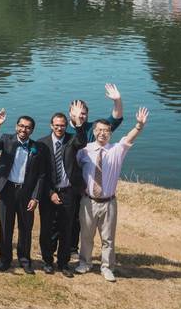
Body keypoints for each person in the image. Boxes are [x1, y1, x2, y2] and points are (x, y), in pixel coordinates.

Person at [75, 107, 150, 282]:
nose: (103, 133)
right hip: (88, 201)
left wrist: (139, 125)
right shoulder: (84, 150)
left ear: (110, 133)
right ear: (94, 132)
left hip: (108, 202)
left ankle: (107, 267)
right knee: (86, 235)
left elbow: (130, 137)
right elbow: (76, 169)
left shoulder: (117, 150)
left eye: (106, 131)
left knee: (108, 238)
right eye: (99, 130)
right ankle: (85, 263)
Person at [0, 110, 47, 274]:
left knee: (26, 228)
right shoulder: (7, 139)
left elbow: (41, 176)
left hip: (26, 194)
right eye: (21, 126)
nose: (23, 129)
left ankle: (24, 260)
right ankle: (5, 260)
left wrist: (35, 197)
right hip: (7, 190)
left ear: (32, 130)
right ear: (16, 126)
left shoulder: (37, 148)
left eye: (27, 127)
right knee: (5, 227)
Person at [68, 84, 124, 253]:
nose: (81, 116)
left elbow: (115, 118)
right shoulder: (62, 128)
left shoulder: (94, 129)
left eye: (84, 113)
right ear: (70, 112)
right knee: (64, 216)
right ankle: (55, 246)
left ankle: (73, 249)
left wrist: (117, 101)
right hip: (67, 181)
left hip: (87, 183)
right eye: (77, 112)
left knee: (82, 220)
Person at [37, 111, 87, 277]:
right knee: (48, 228)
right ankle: (47, 261)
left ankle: (64, 263)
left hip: (68, 192)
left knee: (67, 228)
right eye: (56, 125)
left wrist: (78, 123)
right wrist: (50, 192)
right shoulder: (42, 143)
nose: (59, 128)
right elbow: (41, 173)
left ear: (66, 126)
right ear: (51, 125)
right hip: (49, 193)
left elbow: (82, 140)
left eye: (62, 125)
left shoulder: (72, 139)